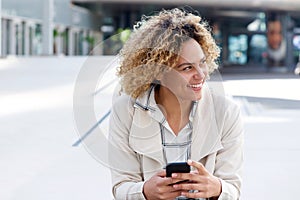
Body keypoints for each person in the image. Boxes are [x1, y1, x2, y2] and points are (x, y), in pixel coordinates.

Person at [108, 7, 243, 200]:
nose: (201, 74)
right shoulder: (126, 110)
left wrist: (217, 189)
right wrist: (145, 192)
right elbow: (120, 187)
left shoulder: (226, 111)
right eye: (187, 67)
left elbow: (234, 188)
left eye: (202, 63)